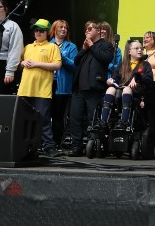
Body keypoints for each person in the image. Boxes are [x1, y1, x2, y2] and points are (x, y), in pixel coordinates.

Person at [17, 19, 62, 157]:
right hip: (25, 89)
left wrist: (37, 63)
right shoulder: (28, 47)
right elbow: (18, 66)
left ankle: (49, 147)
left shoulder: (52, 47)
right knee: (23, 119)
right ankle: (23, 146)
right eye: (36, 30)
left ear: (47, 32)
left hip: (42, 90)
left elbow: (57, 65)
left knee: (43, 119)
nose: (38, 33)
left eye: (41, 30)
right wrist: (22, 63)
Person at [68, 21, 114, 157]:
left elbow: (106, 59)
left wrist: (92, 46)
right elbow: (76, 61)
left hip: (94, 88)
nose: (86, 31)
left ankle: (92, 145)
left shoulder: (106, 45)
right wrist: (84, 49)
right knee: (75, 118)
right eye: (85, 29)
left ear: (98, 31)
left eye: (90, 29)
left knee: (92, 118)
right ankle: (76, 146)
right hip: (78, 89)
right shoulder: (86, 46)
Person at [101, 39, 153, 128]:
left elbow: (149, 79)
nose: (140, 50)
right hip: (121, 90)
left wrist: (137, 77)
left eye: (141, 48)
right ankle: (103, 122)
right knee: (110, 89)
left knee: (127, 89)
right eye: (136, 48)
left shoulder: (145, 64)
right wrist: (110, 80)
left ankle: (124, 122)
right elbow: (116, 78)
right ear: (129, 51)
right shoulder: (123, 64)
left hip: (137, 92)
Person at [49, 20, 78, 148]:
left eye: (66, 27)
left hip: (62, 86)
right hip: (46, 84)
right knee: (44, 114)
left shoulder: (71, 47)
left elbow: (75, 66)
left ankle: (56, 143)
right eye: (61, 27)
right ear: (54, 29)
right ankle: (43, 141)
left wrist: (60, 56)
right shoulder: (47, 44)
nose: (64, 29)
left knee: (58, 116)